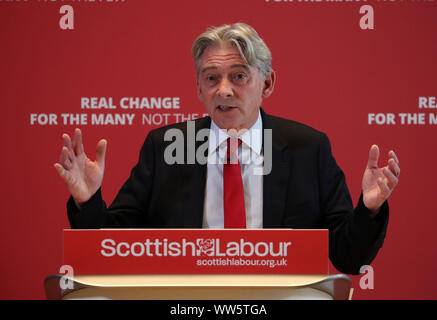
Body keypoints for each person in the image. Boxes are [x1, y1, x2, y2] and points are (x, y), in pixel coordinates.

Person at [54, 23, 400, 275]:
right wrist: (87, 201)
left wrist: (368, 210)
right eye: (211, 78)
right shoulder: (164, 148)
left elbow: (349, 258)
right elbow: (112, 249)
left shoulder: (308, 149)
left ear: (267, 83)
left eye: (238, 76)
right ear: (199, 88)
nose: (224, 90)